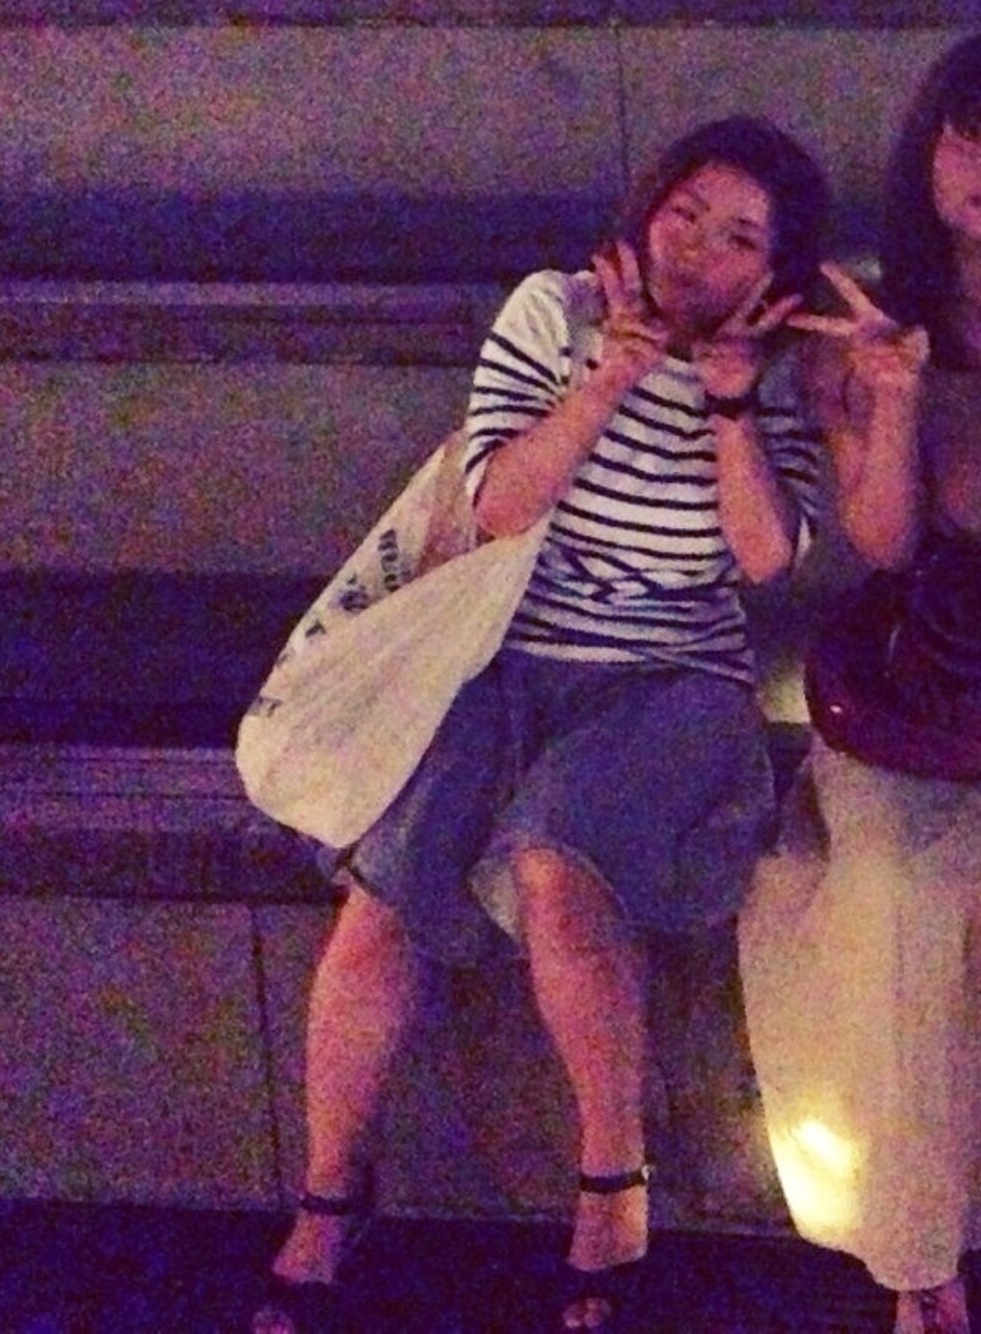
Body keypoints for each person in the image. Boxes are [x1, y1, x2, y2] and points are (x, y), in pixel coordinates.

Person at [252, 115, 827, 1334]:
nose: (696, 250)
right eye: (684, 213)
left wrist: (728, 405)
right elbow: (502, 505)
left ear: (772, 269)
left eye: (738, 237)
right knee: (384, 891)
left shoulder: (781, 371)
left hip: (673, 679)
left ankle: (613, 1182)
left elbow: (763, 559)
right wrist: (605, 379)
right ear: (645, 208)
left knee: (556, 861)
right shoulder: (551, 311)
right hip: (503, 660)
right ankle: (330, 1190)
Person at [740, 34, 981, 1334]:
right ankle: (920, 1263)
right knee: (901, 894)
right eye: (970, 132)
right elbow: (882, 544)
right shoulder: (869, 331)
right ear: (931, 150)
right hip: (922, 690)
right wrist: (892, 401)